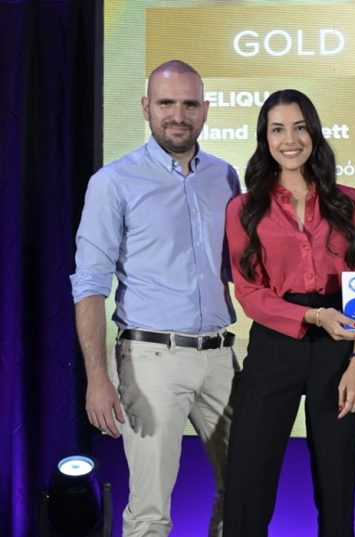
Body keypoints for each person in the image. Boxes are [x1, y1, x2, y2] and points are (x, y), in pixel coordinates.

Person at [71, 60, 240, 536]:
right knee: (149, 512)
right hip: (150, 360)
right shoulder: (114, 182)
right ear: (146, 107)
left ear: (205, 109)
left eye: (189, 104)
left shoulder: (226, 177)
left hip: (221, 357)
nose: (178, 115)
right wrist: (97, 378)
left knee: (244, 493)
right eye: (166, 103)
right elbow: (90, 284)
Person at [222, 89, 355, 537]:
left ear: (315, 133)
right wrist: (312, 317)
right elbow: (250, 293)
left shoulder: (349, 202)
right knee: (247, 480)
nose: (290, 139)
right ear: (264, 138)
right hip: (275, 343)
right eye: (278, 129)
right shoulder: (244, 208)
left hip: (339, 345)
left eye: (300, 127)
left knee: (338, 485)